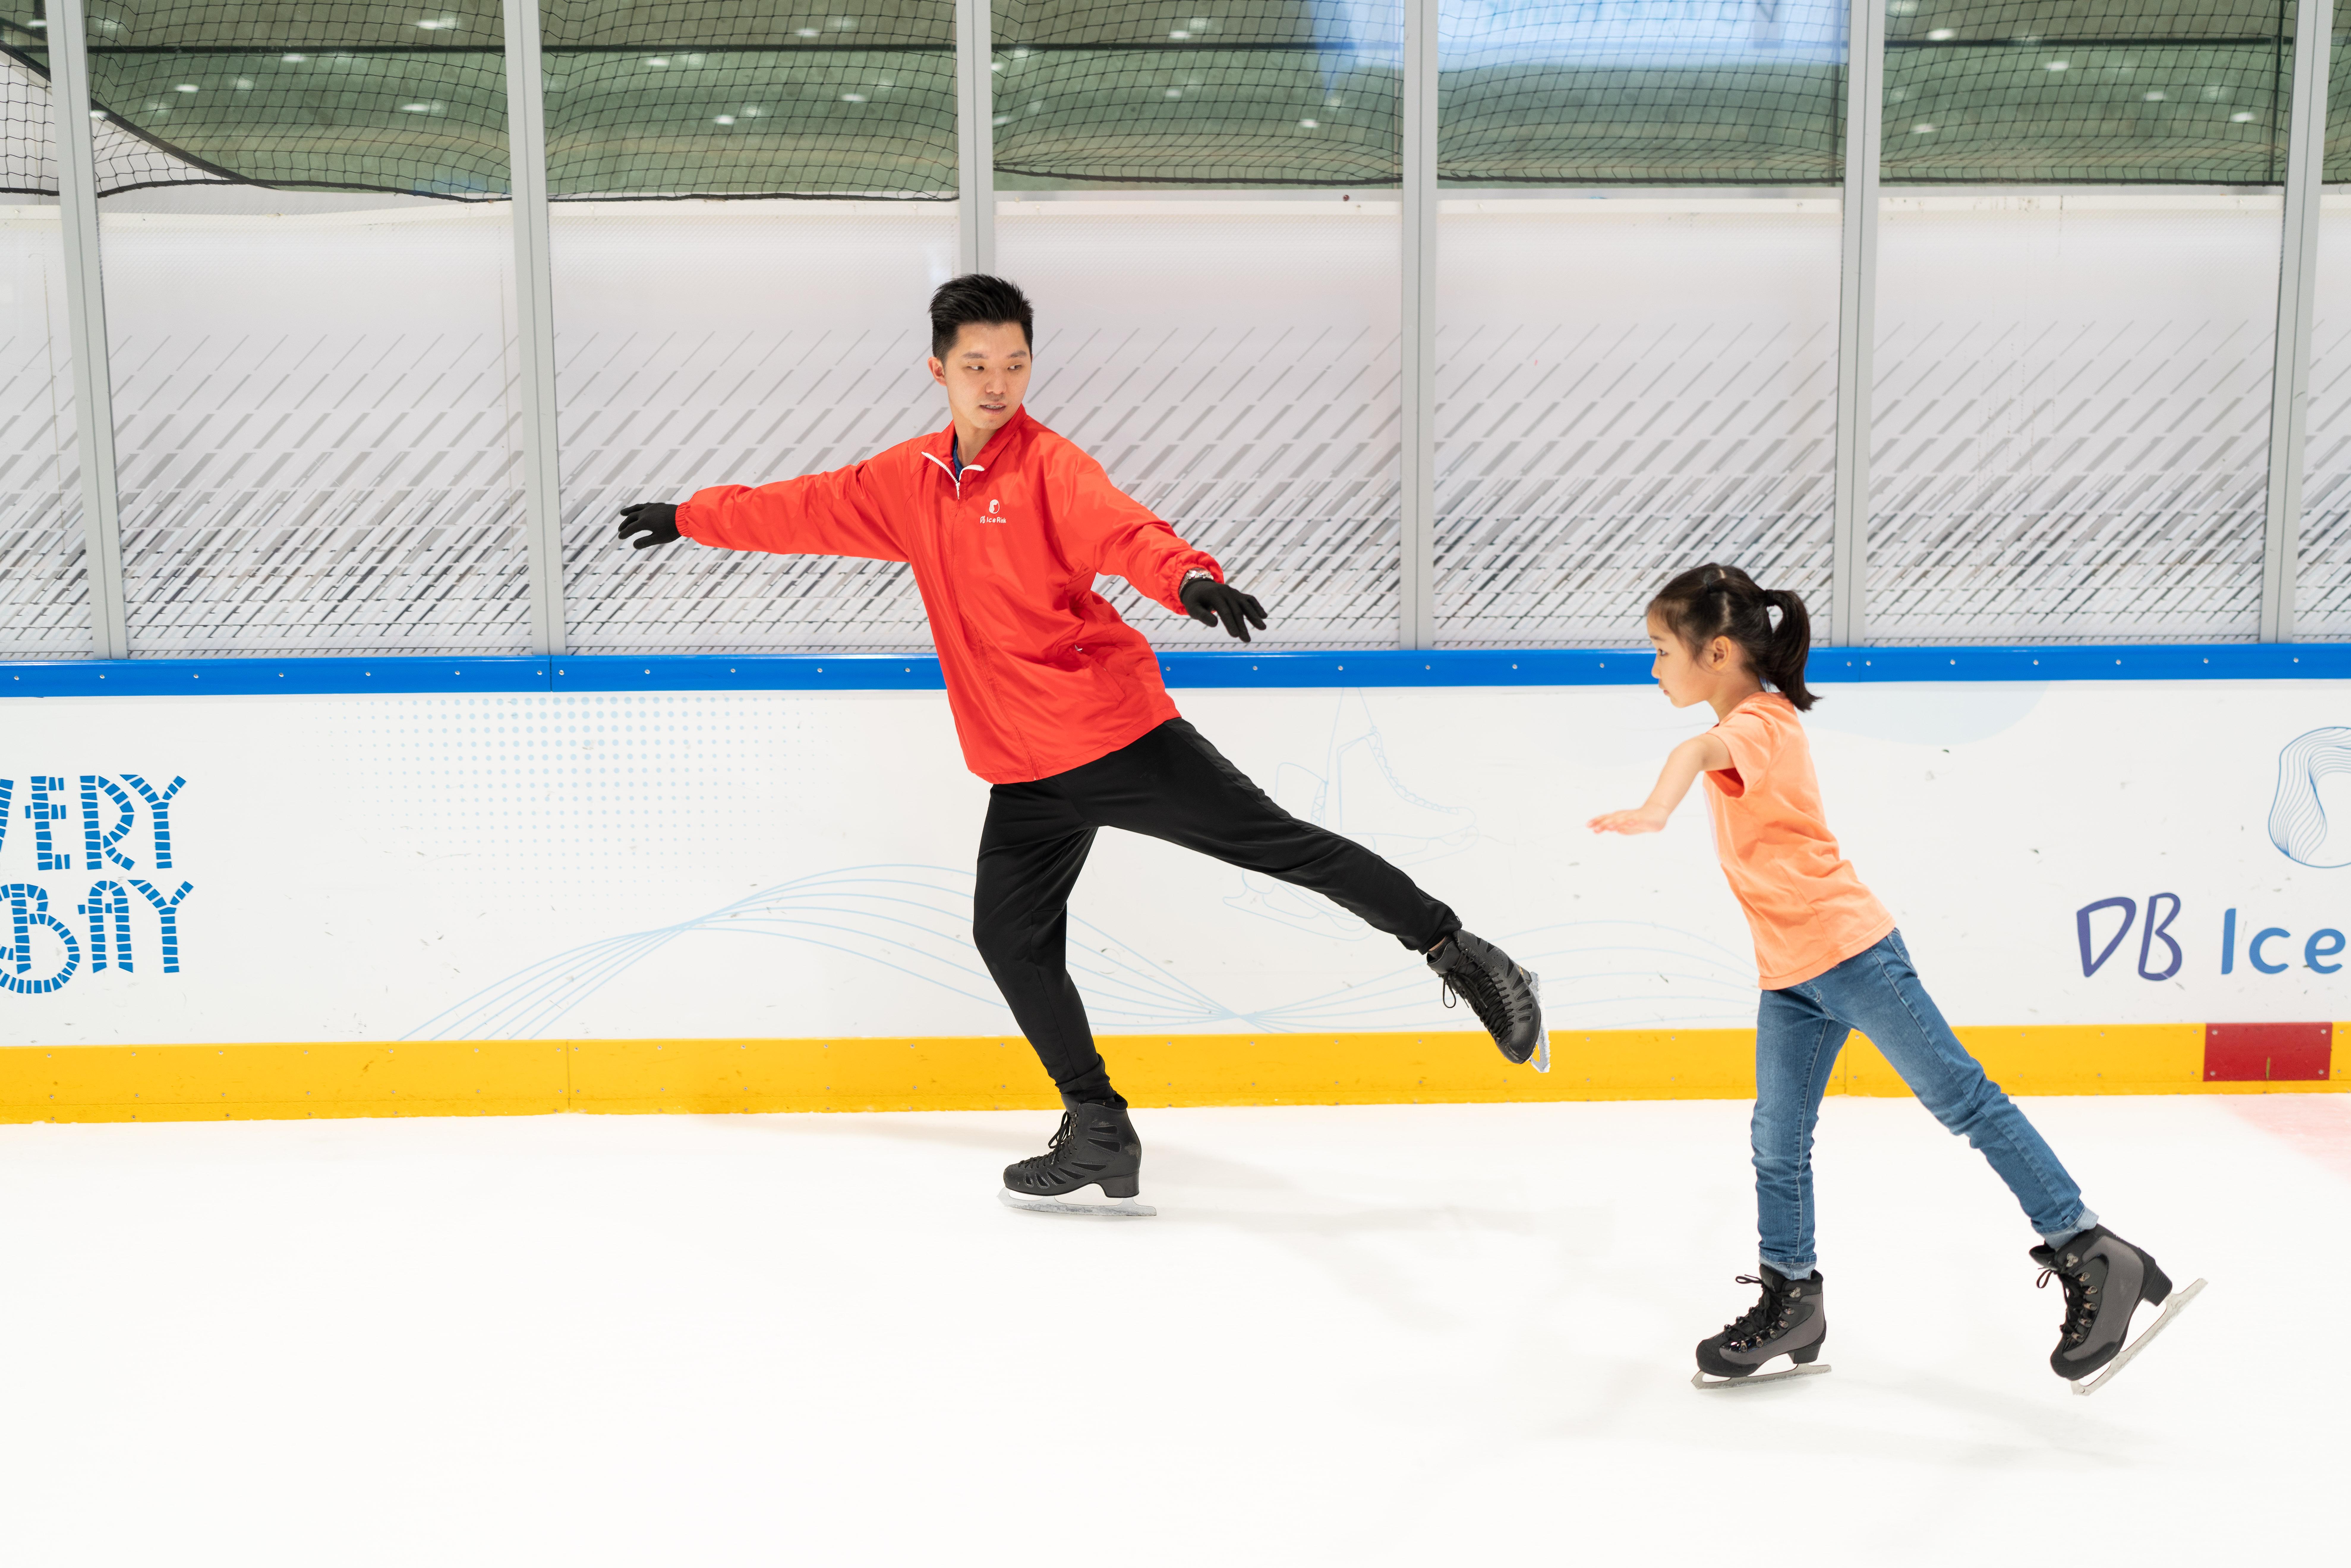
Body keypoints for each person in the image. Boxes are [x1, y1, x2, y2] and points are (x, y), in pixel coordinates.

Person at [615, 274, 1544, 1217]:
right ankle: (1097, 1125)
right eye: (976, 365)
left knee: (1280, 847)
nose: (997, 383)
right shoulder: (910, 483)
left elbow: (1127, 533)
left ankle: (1461, 953)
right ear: (937, 369)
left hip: (1111, 736)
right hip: (1024, 771)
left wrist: (1189, 582)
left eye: (1014, 364)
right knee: (1007, 936)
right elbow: (805, 508)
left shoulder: (1049, 469)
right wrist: (690, 517)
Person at [1587, 564, 2195, 1390]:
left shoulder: (1761, 722)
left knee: (1965, 1102)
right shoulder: (1751, 718)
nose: (1652, 666)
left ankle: (2090, 1250)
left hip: (1851, 954)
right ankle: (1791, 1296)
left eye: (1661, 650)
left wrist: (1656, 809)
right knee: (1776, 1142)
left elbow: (1699, 749)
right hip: (1791, 974)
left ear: (1718, 651)